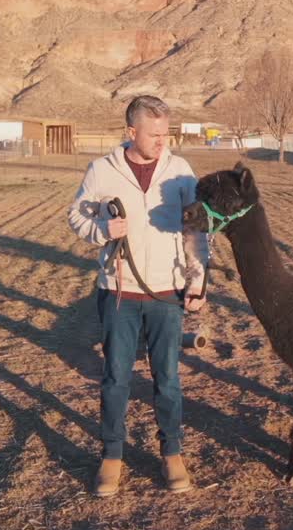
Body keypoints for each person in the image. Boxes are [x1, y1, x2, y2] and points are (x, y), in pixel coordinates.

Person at [68, 95, 208, 496]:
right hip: (119, 293)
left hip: (166, 292)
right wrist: (101, 231)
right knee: (115, 377)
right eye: (155, 134)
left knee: (168, 379)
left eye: (167, 133)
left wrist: (197, 280)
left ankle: (172, 454)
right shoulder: (102, 170)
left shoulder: (180, 171)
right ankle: (112, 456)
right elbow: (76, 214)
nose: (163, 141)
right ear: (132, 132)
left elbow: (196, 231)